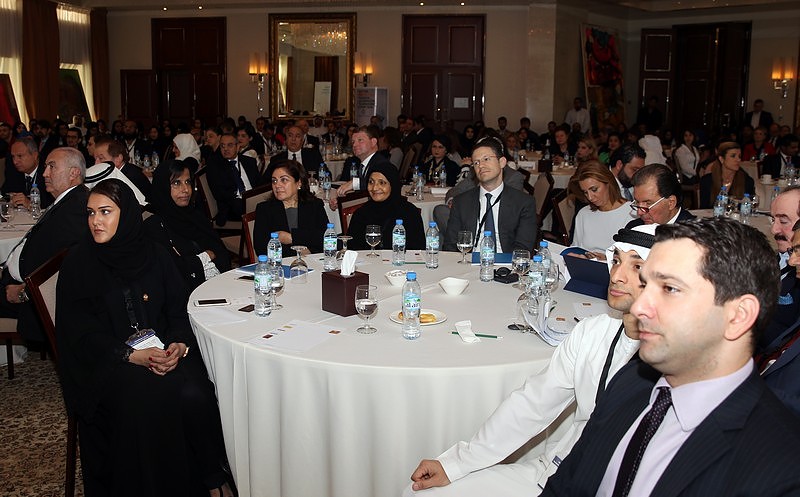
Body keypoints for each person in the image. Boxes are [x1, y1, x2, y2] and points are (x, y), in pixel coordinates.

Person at [541, 218, 800, 496]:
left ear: (738, 315)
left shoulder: (781, 467)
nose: (639, 308)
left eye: (669, 289)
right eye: (645, 284)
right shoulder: (631, 382)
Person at [406, 225, 656, 497]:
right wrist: (456, 464)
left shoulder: (672, 363)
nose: (617, 276)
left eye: (637, 266)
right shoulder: (592, 332)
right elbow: (534, 403)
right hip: (556, 470)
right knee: (418, 493)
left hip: (615, 485)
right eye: (616, 261)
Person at [56, 179, 234, 497]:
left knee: (197, 392)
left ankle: (210, 477)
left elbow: (178, 308)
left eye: (105, 212)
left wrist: (179, 343)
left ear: (126, 215)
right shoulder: (79, 264)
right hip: (108, 363)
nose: (96, 220)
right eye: (91, 213)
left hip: (162, 348)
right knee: (154, 396)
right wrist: (129, 355)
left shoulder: (154, 254)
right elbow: (80, 333)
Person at [0, 147, 89, 343]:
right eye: (46, 166)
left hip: (32, 298)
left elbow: (62, 266)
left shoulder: (75, 209)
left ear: (73, 173)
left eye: (52, 167)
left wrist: (23, 292)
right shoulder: (68, 200)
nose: (45, 173)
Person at [144, 160, 230, 290]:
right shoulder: (154, 227)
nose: (186, 189)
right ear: (163, 186)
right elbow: (171, 272)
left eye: (188, 182)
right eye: (176, 183)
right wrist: (205, 257)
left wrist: (195, 262)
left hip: (218, 286)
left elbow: (222, 254)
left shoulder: (196, 216)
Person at [443, 137, 537, 253]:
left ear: (502, 162)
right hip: (469, 260)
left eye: (486, 159)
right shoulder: (461, 202)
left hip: (506, 261)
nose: (481, 165)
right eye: (476, 162)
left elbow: (523, 249)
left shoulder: (523, 203)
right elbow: (450, 246)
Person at [252, 160, 328, 257]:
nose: (277, 185)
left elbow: (327, 239)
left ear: (299, 183)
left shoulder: (314, 205)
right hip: (281, 264)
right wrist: (301, 251)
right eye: (274, 181)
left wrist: (291, 238)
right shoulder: (265, 209)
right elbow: (261, 248)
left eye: (284, 180)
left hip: (313, 262)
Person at [347, 159, 425, 251]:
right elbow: (351, 250)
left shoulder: (409, 213)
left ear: (393, 185)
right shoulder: (361, 214)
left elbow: (418, 251)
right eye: (371, 182)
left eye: (382, 183)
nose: (375, 188)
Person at [572, 161, 634, 255]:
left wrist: (607, 258)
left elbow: (634, 257)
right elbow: (575, 248)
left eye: (594, 189)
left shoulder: (631, 213)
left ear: (608, 183)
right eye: (585, 192)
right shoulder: (583, 214)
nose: (590, 197)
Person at [205, 133, 263, 226]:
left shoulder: (249, 162)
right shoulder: (214, 166)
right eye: (222, 146)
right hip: (231, 207)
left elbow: (259, 184)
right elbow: (219, 194)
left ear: (238, 146)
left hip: (253, 200)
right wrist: (245, 201)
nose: (225, 149)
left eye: (230, 145)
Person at [334, 125, 395, 201]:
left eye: (360, 140)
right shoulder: (363, 164)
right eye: (353, 142)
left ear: (373, 142)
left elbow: (380, 183)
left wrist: (354, 183)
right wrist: (341, 202)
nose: (354, 145)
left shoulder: (381, 164)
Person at [625, 164, 695, 228]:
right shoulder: (633, 229)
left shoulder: (694, 233)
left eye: (648, 203)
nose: (639, 212)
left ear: (671, 203)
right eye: (637, 202)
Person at [93, 136, 153, 201]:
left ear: (118, 159)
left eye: (101, 158)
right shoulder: (121, 172)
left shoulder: (130, 177)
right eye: (95, 159)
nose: (96, 163)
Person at [698, 141, 754, 209]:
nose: (738, 160)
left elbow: (748, 209)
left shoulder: (747, 181)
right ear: (721, 159)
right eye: (733, 156)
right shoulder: (707, 181)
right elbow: (703, 209)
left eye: (739, 156)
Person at [3, 137, 55, 209]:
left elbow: (53, 205)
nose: (15, 162)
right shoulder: (13, 172)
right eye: (13, 157)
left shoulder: (49, 173)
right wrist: (9, 200)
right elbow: (4, 194)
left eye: (20, 156)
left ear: (35, 155)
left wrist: (31, 205)